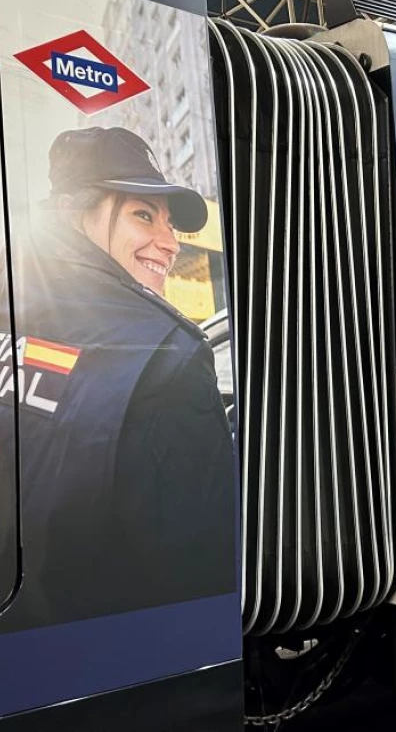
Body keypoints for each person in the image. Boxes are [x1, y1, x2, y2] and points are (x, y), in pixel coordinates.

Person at [0, 127, 235, 630]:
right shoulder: (167, 356)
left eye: (170, 224)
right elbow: (201, 572)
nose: (170, 244)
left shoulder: (12, 306)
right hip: (111, 660)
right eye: (143, 215)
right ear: (71, 212)